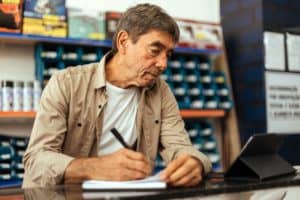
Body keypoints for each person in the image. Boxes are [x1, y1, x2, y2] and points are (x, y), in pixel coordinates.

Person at [23, 3, 212, 188]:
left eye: (168, 55)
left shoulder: (161, 93)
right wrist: (94, 167)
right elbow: (36, 160)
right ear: (123, 42)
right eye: (155, 51)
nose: (163, 64)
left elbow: (180, 146)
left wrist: (194, 163)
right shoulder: (66, 83)